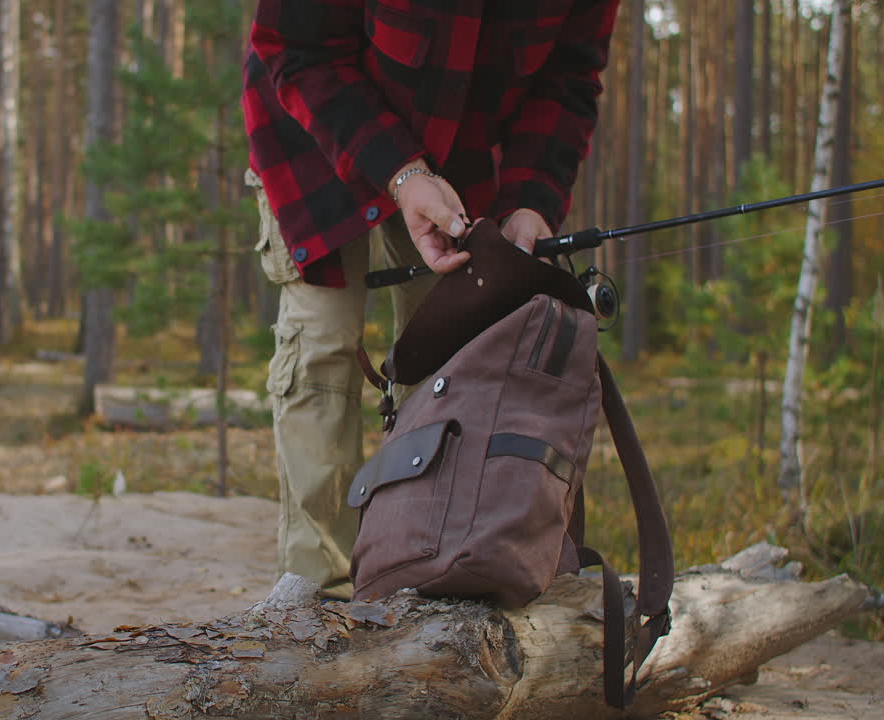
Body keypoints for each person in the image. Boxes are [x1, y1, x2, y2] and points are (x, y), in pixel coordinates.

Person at [242, 0, 621, 599]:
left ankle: (422, 569)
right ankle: (316, 593)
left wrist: (531, 200)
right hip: (312, 128)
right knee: (321, 346)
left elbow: (567, 81)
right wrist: (401, 173)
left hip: (457, 156)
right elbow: (297, 46)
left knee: (454, 356)